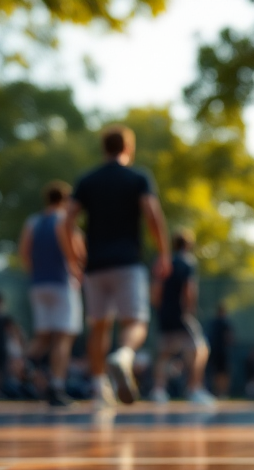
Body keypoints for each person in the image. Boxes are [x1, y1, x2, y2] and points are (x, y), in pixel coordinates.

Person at [63, 125, 170, 409]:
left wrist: (73, 260)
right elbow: (152, 215)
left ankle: (99, 388)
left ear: (104, 148)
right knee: (135, 322)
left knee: (98, 326)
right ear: (128, 148)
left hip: (95, 266)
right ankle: (124, 355)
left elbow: (67, 222)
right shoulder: (138, 178)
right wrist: (163, 253)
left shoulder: (87, 180)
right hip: (128, 263)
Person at [19, 181, 82, 407]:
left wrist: (34, 272)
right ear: (65, 200)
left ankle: (25, 363)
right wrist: (77, 269)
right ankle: (56, 386)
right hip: (62, 283)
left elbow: (24, 252)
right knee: (63, 337)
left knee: (43, 336)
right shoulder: (65, 220)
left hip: (39, 284)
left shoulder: (33, 222)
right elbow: (76, 251)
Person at [152, 230, 214, 405]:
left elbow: (156, 291)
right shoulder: (188, 261)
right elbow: (189, 289)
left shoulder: (165, 262)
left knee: (164, 353)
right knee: (200, 349)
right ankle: (194, 389)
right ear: (188, 245)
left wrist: (161, 309)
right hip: (181, 314)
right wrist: (189, 310)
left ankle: (158, 391)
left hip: (165, 314)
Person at [206, 303, 234, 398]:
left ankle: (220, 392)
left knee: (218, 373)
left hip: (215, 352)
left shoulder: (214, 323)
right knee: (222, 373)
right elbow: (229, 337)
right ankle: (221, 392)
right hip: (221, 352)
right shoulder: (224, 323)